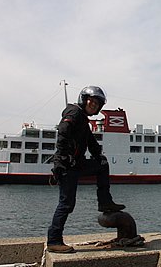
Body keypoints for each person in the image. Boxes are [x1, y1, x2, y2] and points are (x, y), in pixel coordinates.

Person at [47, 86, 126, 253]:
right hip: (67, 165)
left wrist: (98, 155)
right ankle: (54, 241)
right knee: (66, 204)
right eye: (90, 100)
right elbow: (63, 132)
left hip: (77, 163)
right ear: (83, 100)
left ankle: (105, 201)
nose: (93, 104)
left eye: (96, 103)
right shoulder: (74, 113)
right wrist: (60, 160)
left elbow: (90, 141)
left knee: (102, 165)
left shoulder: (83, 119)